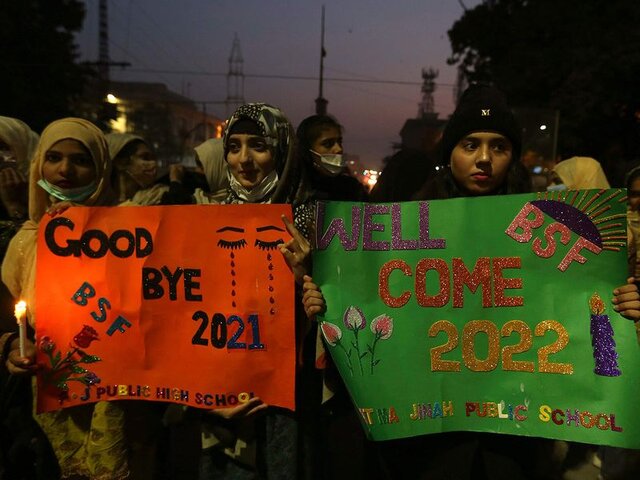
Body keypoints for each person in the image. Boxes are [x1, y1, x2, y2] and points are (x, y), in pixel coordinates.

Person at [302, 84, 640, 480]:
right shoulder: (406, 229)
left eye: (498, 146)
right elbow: (371, 320)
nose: (484, 159)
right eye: (470, 145)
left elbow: (584, 317)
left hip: (514, 439)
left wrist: (626, 307)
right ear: (450, 155)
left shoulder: (552, 227)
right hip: (429, 443)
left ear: (512, 156)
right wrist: (325, 301)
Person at [1, 118, 161, 480]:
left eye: (81, 160)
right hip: (55, 397)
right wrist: (13, 348)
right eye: (54, 157)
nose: (65, 170)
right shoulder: (27, 239)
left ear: (101, 168)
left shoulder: (135, 225)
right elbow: (10, 319)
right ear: (38, 162)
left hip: (126, 400)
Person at [190, 103, 315, 480]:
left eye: (258, 145)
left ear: (282, 150)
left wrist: (308, 280)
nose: (243, 160)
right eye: (234, 146)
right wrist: (205, 396)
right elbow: (181, 316)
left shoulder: (311, 223)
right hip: (219, 405)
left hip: (288, 407)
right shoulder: (202, 221)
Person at [296, 114, 368, 205]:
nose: (339, 149)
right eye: (327, 144)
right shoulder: (293, 191)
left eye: (339, 142)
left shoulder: (352, 189)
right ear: (307, 150)